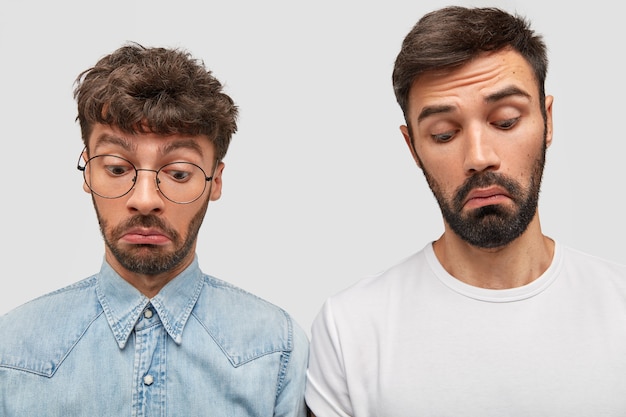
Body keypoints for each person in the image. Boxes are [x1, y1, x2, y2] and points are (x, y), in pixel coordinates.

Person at [305, 6, 626, 416]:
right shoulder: (350, 329)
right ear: (413, 148)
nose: (479, 157)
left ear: (547, 120)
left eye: (506, 121)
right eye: (444, 133)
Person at [0, 43, 308, 416]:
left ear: (215, 182)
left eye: (178, 173)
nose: (145, 200)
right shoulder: (13, 349)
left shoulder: (276, 348)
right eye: (117, 168)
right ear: (87, 170)